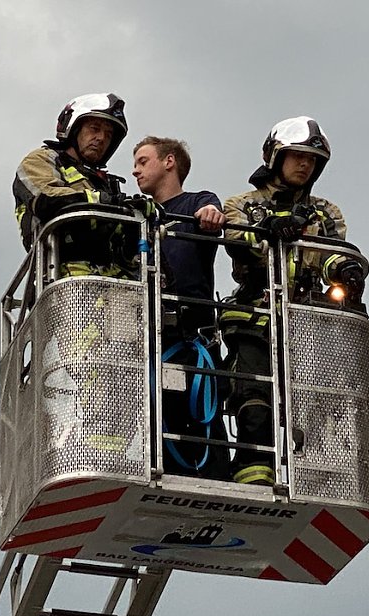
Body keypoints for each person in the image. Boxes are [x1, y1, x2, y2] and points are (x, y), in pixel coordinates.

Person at [220, 116, 365, 486]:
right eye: (297, 156)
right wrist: (268, 233)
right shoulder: (243, 204)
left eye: (312, 160)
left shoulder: (326, 212)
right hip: (253, 316)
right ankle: (253, 475)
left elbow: (331, 251)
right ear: (275, 157)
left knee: (313, 406)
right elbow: (237, 240)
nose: (304, 164)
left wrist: (345, 270)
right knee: (254, 403)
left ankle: (312, 476)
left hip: (308, 322)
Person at [132, 136, 230, 479]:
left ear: (169, 161)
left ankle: (216, 481)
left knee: (203, 412)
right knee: (158, 414)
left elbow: (214, 210)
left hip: (194, 339)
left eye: (143, 161)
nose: (135, 170)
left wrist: (210, 215)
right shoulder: (135, 216)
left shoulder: (196, 202)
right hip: (150, 338)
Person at [12, 93, 136, 276]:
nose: (101, 138)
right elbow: (47, 201)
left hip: (111, 285)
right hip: (62, 279)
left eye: (108, 134)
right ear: (74, 129)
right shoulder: (40, 160)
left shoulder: (105, 184)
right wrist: (101, 200)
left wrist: (135, 216)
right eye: (94, 129)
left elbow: (124, 253)